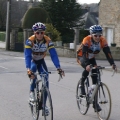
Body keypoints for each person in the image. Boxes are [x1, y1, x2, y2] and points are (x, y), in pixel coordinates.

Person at [76, 25, 117, 112]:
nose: (98, 37)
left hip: (91, 58)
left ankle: (95, 103)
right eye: (95, 35)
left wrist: (112, 63)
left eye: (99, 35)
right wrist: (87, 64)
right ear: (91, 35)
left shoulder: (103, 40)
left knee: (96, 78)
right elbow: (84, 53)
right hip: (82, 57)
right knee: (88, 69)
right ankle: (82, 84)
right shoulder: (87, 40)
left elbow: (108, 53)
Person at [24, 22, 65, 104]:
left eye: (41, 32)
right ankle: (32, 92)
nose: (40, 34)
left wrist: (58, 67)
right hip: (33, 61)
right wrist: (28, 68)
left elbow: (53, 55)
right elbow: (27, 56)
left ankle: (43, 105)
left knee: (46, 82)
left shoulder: (48, 41)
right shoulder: (29, 41)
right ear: (34, 33)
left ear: (44, 33)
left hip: (41, 61)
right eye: (37, 33)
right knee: (33, 70)